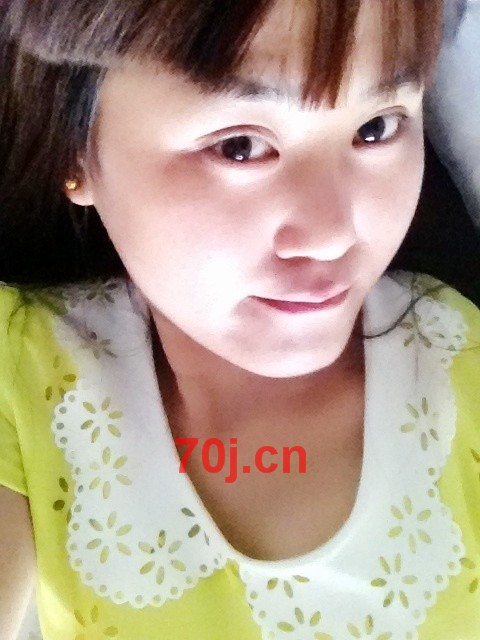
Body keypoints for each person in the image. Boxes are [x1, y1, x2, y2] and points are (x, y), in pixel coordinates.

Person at [0, 1, 479, 639]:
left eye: (376, 128)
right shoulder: (21, 372)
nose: (331, 234)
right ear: (75, 149)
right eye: (240, 146)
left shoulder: (462, 365)